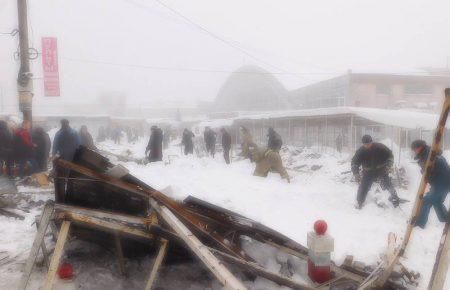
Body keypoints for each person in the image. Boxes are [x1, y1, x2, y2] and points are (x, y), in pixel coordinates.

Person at [351, 135, 400, 209]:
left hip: (381, 170)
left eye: (368, 144)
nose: (367, 145)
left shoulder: (380, 147)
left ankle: (395, 199)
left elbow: (390, 155)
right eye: (365, 144)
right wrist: (356, 173)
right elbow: (354, 162)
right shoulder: (360, 151)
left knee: (387, 184)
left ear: (371, 142)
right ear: (363, 144)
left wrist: (389, 165)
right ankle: (359, 202)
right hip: (368, 172)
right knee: (363, 187)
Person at [411, 140, 450, 228]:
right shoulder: (428, 153)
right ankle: (445, 218)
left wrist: (426, 172)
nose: (414, 151)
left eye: (414, 149)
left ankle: (420, 224)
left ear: (420, 147)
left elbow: (435, 167)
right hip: (441, 181)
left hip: (443, 181)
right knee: (437, 201)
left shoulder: (428, 155)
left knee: (426, 201)